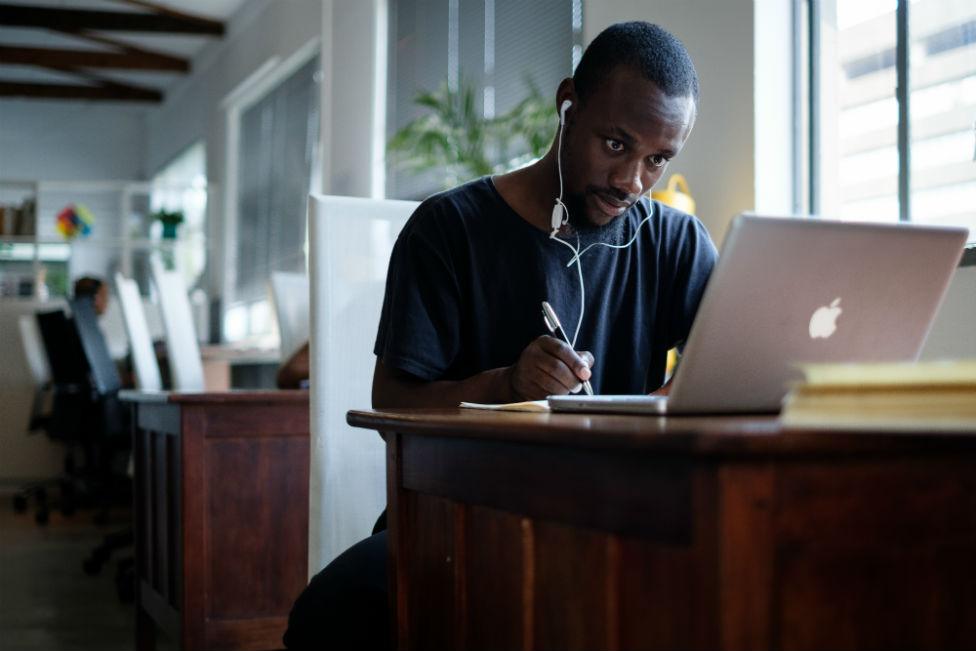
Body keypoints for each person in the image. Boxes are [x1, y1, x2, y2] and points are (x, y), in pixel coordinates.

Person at [284, 21, 717, 649]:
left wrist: (670, 401)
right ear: (569, 104)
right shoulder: (448, 229)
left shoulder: (676, 244)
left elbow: (724, 371)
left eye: (658, 159)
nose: (632, 180)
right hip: (462, 516)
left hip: (618, 517)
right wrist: (507, 384)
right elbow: (393, 404)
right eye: (616, 145)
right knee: (331, 616)